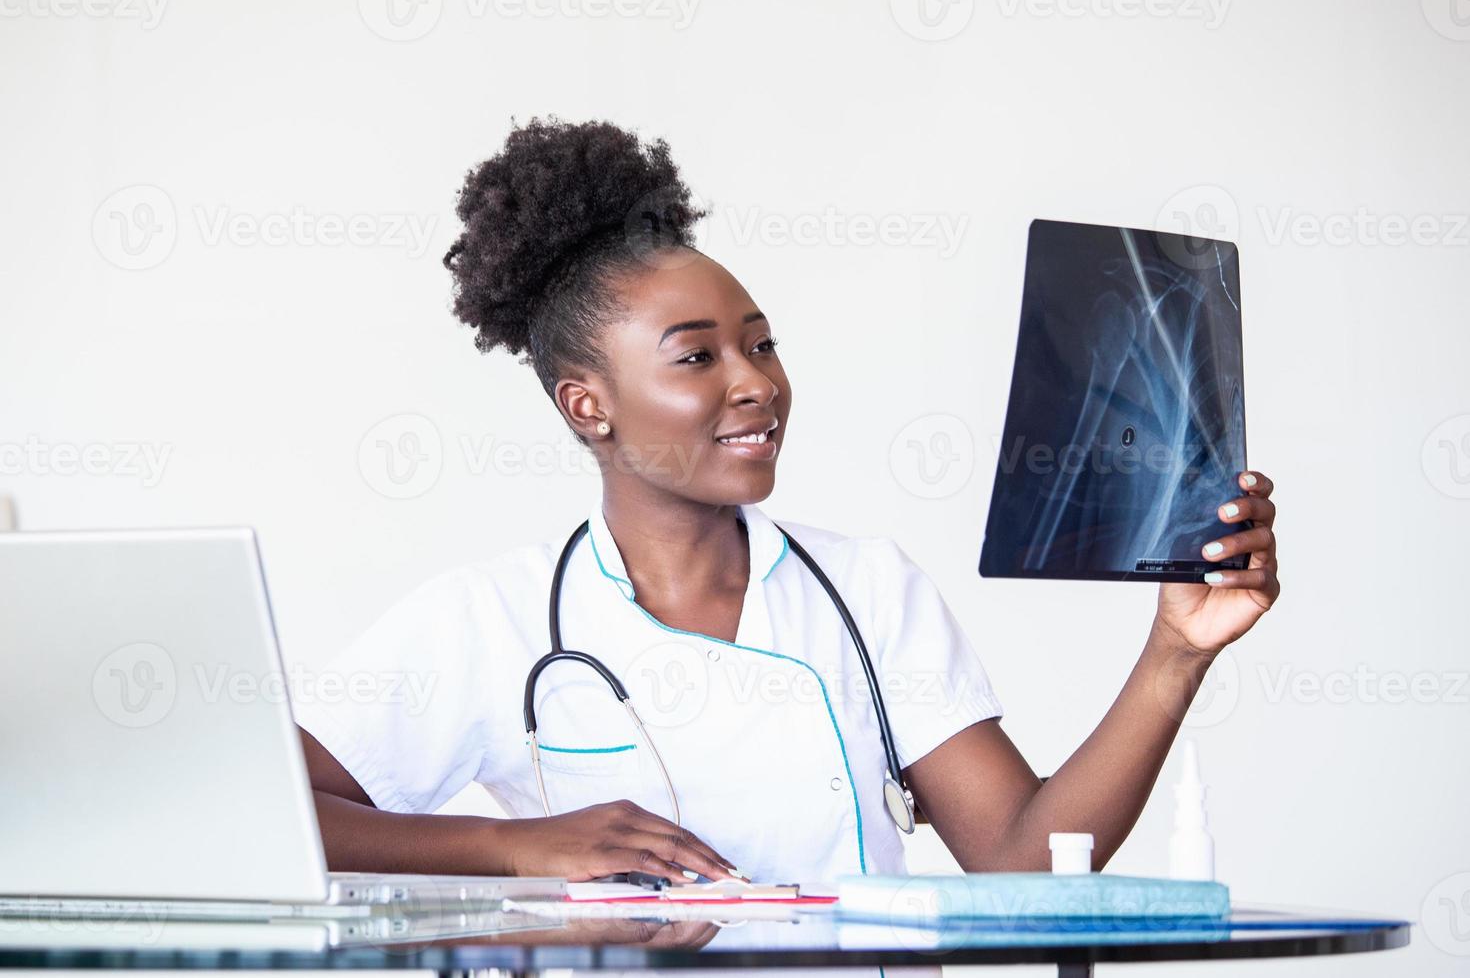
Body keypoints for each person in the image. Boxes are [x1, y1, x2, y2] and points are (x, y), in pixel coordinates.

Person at [294, 116, 1280, 887]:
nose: (755, 381)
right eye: (697, 356)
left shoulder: (865, 590)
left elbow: (1026, 859)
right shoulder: (491, 619)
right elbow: (275, 810)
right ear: (586, 404)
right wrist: (515, 845)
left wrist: (1177, 650)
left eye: (761, 343)